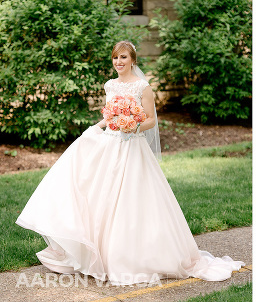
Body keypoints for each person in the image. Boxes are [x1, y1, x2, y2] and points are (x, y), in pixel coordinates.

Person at [16, 41, 244, 286]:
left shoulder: (142, 87)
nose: (119, 62)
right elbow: (108, 116)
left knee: (132, 200)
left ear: (133, 60)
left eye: (123, 57)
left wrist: (132, 125)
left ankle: (131, 256)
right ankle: (98, 254)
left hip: (133, 147)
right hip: (110, 146)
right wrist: (96, 128)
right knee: (98, 195)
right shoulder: (110, 85)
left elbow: (151, 121)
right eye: (115, 58)